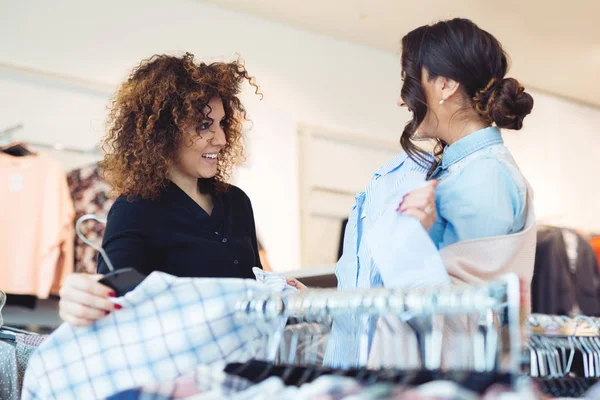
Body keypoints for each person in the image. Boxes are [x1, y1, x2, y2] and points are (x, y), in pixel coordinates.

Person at [326, 18, 536, 368]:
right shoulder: (459, 171)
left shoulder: (484, 176)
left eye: (409, 80)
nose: (400, 99)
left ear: (445, 85)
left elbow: (456, 317)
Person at [59, 53, 264, 327]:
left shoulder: (236, 201)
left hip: (248, 359)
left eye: (222, 124)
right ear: (165, 132)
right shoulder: (135, 208)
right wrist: (81, 297)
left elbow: (255, 286)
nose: (222, 139)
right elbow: (112, 295)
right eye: (205, 126)